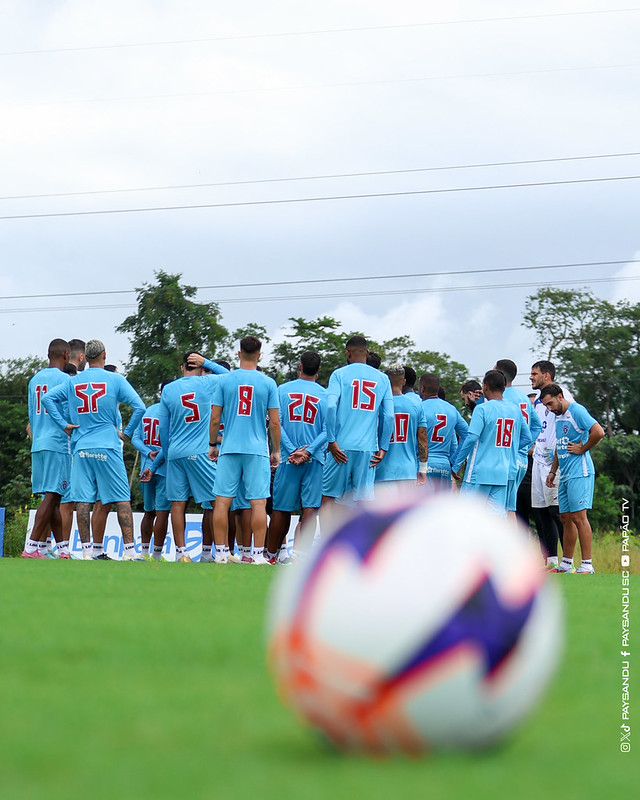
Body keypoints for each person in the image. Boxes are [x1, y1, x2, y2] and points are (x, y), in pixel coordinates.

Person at [42, 339, 146, 560]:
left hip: (81, 448)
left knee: (83, 500)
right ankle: (129, 551)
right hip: (108, 445)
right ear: (105, 355)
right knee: (121, 499)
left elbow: (48, 398)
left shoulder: (74, 382)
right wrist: (126, 433)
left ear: (85, 358)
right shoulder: (115, 379)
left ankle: (87, 551)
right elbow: (140, 407)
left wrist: (64, 425)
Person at [141, 352, 228, 563]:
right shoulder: (208, 382)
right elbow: (229, 375)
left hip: (175, 453)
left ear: (182, 368)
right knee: (217, 501)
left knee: (177, 504)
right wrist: (207, 363)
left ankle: (182, 553)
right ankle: (222, 553)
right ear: (199, 366)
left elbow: (163, 425)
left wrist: (168, 453)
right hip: (200, 451)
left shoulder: (169, 389)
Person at [209, 335, 281, 565]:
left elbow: (214, 418)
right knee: (258, 503)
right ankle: (258, 555)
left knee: (222, 501)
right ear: (259, 355)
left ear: (238, 353)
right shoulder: (268, 383)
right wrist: (277, 450)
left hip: (229, 447)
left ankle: (221, 553)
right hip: (257, 449)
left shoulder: (224, 381)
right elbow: (275, 422)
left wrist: (212, 444)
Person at [267, 351, 327, 563]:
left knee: (280, 509)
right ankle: (300, 557)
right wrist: (308, 451)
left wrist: (293, 450)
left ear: (299, 366)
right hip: (314, 459)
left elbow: (276, 424)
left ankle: (270, 556)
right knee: (310, 508)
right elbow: (328, 430)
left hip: (288, 459)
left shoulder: (282, 390)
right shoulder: (325, 394)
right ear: (318, 370)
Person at [540, 384, 604, 574]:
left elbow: (598, 432)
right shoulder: (557, 417)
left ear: (560, 396)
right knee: (565, 518)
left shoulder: (576, 410)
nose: (549, 409)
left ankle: (587, 565)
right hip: (565, 474)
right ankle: (566, 565)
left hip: (580, 472)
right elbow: (561, 447)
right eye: (546, 406)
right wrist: (553, 472)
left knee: (579, 517)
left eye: (550, 403)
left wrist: (582, 448)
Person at [321, 335, 394, 506]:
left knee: (328, 499)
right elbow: (389, 416)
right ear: (367, 353)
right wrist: (383, 447)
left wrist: (331, 441)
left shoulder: (339, 374)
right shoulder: (383, 378)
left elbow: (330, 406)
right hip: (368, 449)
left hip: (340, 447)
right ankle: (361, 534)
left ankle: (328, 534)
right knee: (362, 503)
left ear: (348, 353)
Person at [452, 370, 531, 517]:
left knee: (466, 516)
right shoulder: (514, 409)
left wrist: (456, 465)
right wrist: (509, 449)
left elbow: (470, 438)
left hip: (479, 471)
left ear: (486, 387)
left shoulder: (482, 409)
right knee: (496, 520)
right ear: (503, 388)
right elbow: (527, 437)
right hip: (503, 472)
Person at [22, 338, 72, 559]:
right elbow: (69, 414)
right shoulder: (66, 380)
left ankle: (63, 550)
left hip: (38, 442)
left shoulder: (34, 380)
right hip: (57, 443)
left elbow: (31, 415)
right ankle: (31, 547)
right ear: (66, 356)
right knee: (52, 496)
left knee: (54, 497)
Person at [529, 360, 574, 568]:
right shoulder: (537, 399)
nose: (531, 377)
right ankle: (551, 560)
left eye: (534, 373)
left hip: (554, 461)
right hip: (538, 460)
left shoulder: (561, 392)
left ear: (546, 375)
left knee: (558, 512)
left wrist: (561, 451)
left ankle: (568, 561)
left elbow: (570, 423)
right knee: (541, 512)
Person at [494, 359, 542, 520]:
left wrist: (516, 447)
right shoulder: (523, 397)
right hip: (522, 459)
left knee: (498, 508)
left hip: (507, 457)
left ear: (499, 375)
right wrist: (524, 446)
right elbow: (536, 426)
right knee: (511, 508)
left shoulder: (500, 396)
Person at [131, 384, 173, 561]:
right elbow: (168, 443)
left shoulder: (148, 411)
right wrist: (155, 461)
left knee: (148, 512)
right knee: (162, 512)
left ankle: (144, 552)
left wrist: (148, 453)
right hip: (163, 469)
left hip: (145, 468)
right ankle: (156, 554)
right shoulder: (172, 413)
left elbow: (135, 438)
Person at [374, 364, 428, 489]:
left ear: (386, 381)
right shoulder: (416, 404)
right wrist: (423, 468)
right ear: (403, 382)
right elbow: (423, 437)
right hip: (408, 471)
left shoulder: (378, 405)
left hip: (382, 470)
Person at [419, 373, 468, 486]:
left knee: (422, 504)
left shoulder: (419, 408)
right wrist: (455, 461)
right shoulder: (451, 409)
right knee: (439, 504)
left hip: (424, 464)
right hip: (444, 466)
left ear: (422, 388)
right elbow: (468, 435)